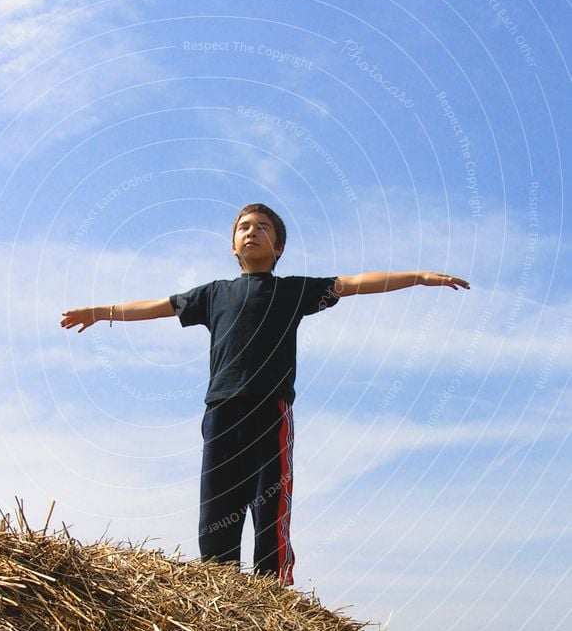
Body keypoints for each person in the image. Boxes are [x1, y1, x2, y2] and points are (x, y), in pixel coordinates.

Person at [61, 203, 470, 585]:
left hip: (270, 411)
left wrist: (418, 277)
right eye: (243, 227)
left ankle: (272, 590)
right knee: (216, 508)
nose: (251, 232)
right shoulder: (213, 294)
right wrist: (100, 312)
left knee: (268, 507)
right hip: (220, 410)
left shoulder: (292, 291)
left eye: (262, 227)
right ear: (233, 245)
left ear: (279, 247)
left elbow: (355, 283)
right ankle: (218, 588)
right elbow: (155, 306)